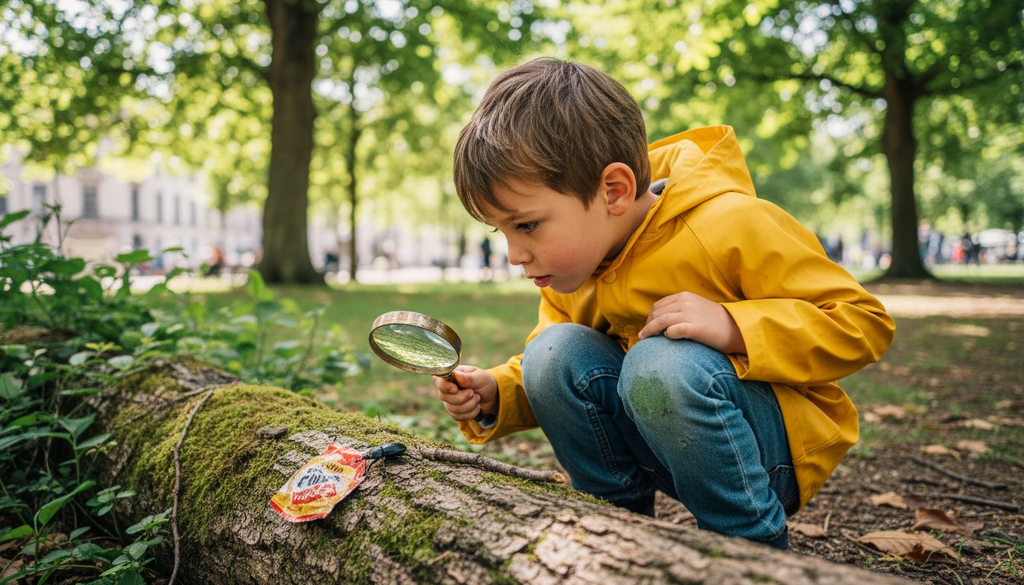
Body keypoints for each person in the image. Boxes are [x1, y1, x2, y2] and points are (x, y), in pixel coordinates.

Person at [432, 58, 895, 550]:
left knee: (658, 363)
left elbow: (863, 323)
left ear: (613, 190)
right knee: (553, 350)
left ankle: (747, 547)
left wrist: (735, 326)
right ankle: (613, 529)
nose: (513, 254)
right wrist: (498, 393)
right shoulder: (570, 272)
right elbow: (559, 376)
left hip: (767, 455)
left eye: (526, 225)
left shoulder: (729, 224)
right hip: (661, 445)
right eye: (499, 230)